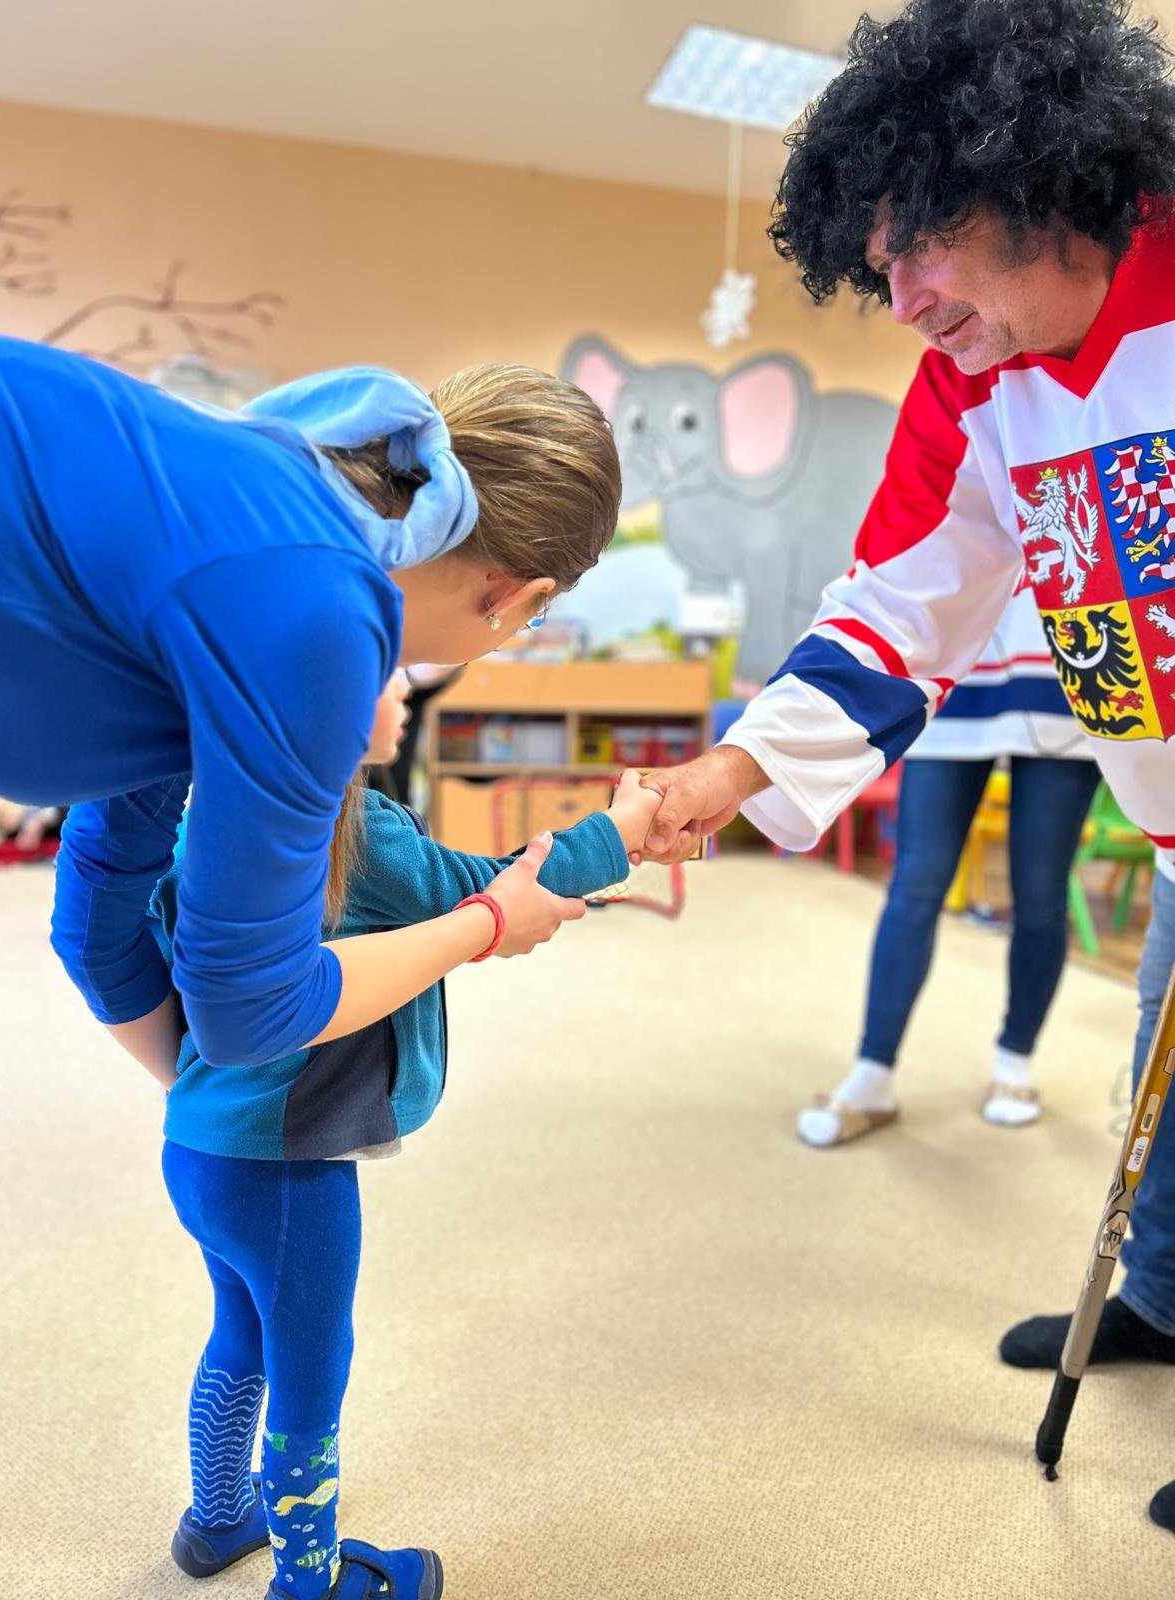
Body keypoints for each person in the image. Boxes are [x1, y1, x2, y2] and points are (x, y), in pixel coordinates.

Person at [635, 0, 1175, 1529]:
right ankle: (1159, 1297)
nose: (902, 298)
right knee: (1165, 1074)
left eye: (920, 243)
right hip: (1171, 820)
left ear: (1040, 176)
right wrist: (730, 775)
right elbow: (899, 601)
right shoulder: (975, 390)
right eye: (876, 266)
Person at [0, 336, 620, 1089]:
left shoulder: (272, 506)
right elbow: (248, 1011)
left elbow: (99, 920)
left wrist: (196, 1101)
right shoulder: (313, 618)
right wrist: (490, 922)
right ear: (513, 594)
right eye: (534, 618)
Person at [153, 671, 661, 1599]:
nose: (408, 685)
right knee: (312, 1374)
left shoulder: (216, 812)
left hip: (198, 1145)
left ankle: (217, 1517)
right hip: (287, 1167)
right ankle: (308, 1582)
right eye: (389, 668)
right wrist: (621, 830)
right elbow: (494, 889)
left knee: (240, 1331)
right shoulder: (358, 832)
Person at [799, 590, 1099, 1146]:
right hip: (956, 673)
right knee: (914, 886)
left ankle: (1015, 1060)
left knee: (1041, 893)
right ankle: (873, 1070)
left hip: (1068, 671)